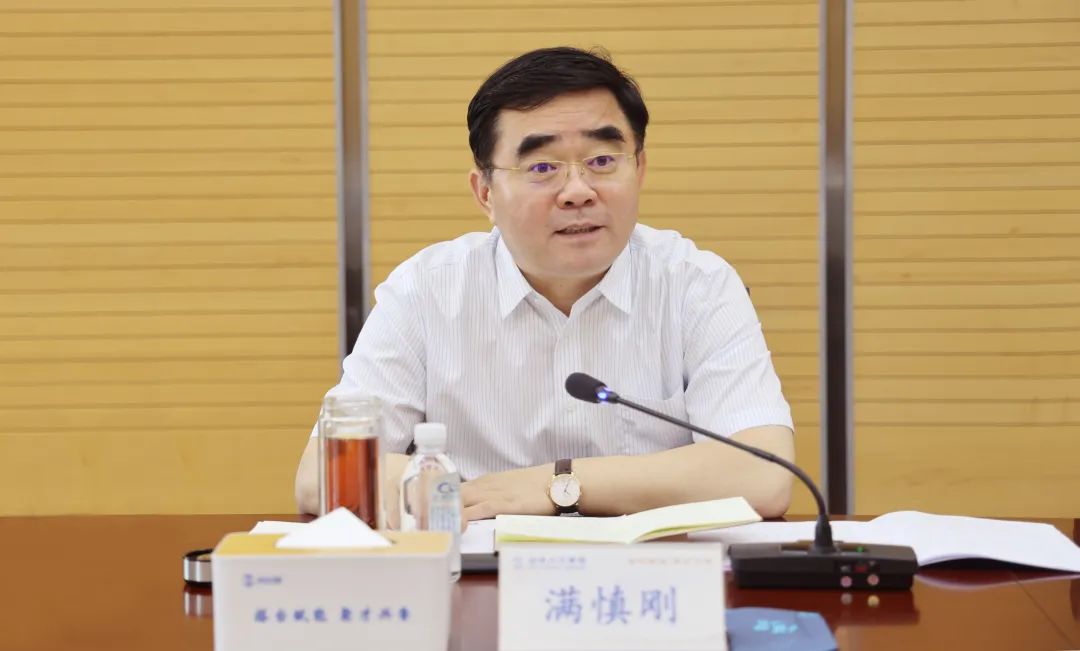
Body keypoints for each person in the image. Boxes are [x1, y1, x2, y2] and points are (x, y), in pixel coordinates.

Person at [295, 46, 795, 524]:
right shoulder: (425, 293)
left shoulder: (697, 285)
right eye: (542, 167)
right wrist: (478, 500)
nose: (578, 191)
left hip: (651, 569)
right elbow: (323, 476)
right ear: (485, 193)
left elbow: (764, 472)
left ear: (639, 168)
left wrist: (552, 485)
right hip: (481, 569)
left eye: (602, 161)